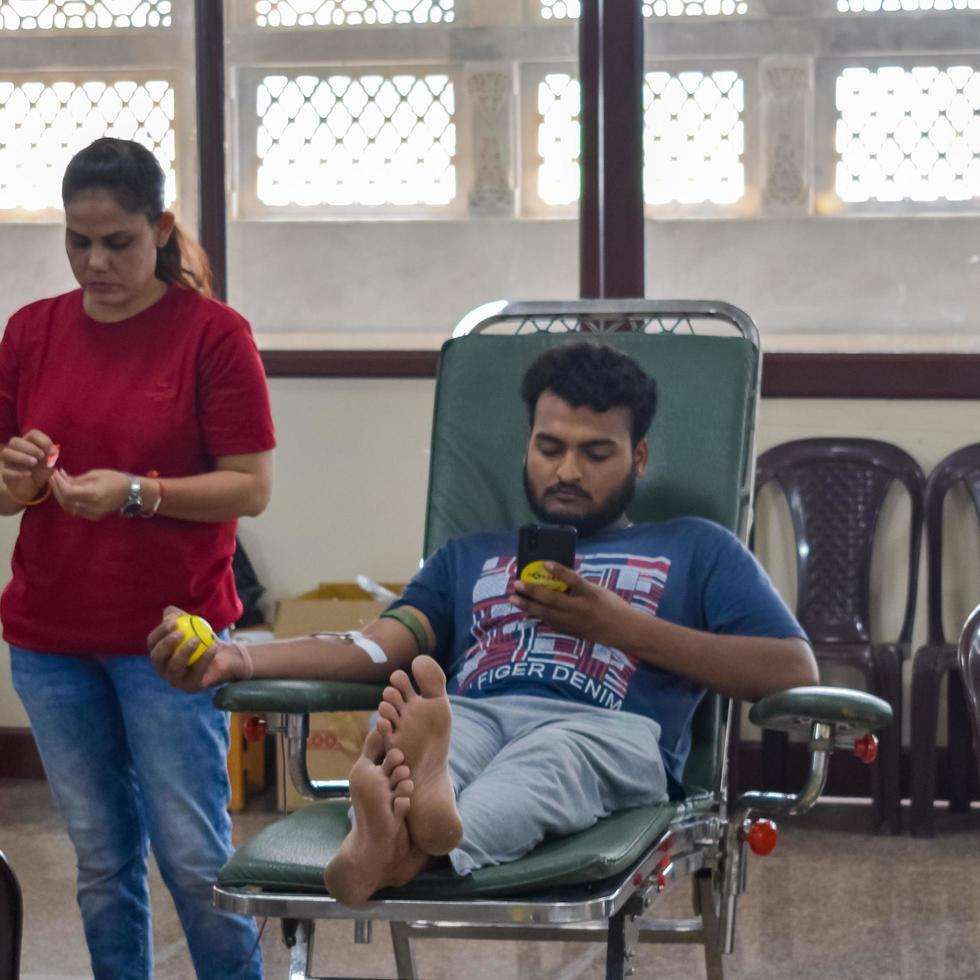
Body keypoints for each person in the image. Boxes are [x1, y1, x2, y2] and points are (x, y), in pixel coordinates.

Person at [150, 342, 817, 909]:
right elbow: (375, 646)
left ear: (639, 458)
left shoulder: (696, 548)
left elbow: (791, 670)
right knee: (423, 743)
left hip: (609, 729)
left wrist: (621, 627)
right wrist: (236, 657)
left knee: (547, 764)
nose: (566, 470)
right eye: (549, 446)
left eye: (596, 453)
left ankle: (393, 839)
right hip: (472, 712)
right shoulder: (468, 555)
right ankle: (407, 834)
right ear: (526, 444)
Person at [0, 138, 275, 978]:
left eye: (116, 241)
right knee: (99, 862)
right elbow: (6, 490)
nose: (94, 261)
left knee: (196, 861)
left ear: (159, 230)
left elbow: (249, 487)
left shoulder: (213, 335)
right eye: (78, 242)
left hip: (171, 638)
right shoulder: (31, 330)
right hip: (50, 638)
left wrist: (137, 493)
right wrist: (15, 479)